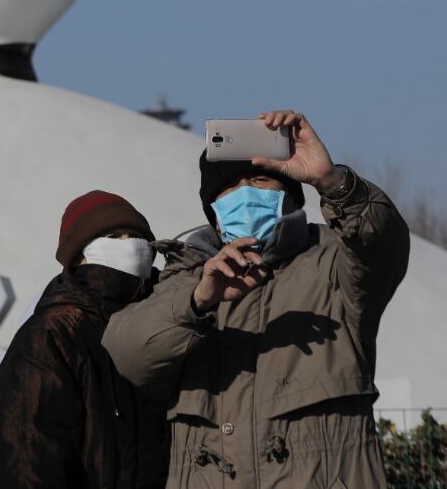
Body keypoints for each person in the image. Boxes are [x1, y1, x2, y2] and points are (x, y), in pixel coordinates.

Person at [102, 110, 410, 488]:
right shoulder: (183, 279)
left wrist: (333, 182)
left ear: (291, 194)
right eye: (229, 188)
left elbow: (383, 246)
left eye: (261, 179)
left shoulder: (333, 264)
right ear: (214, 212)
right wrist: (198, 300)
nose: (246, 194)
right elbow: (129, 353)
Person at [0, 190, 168, 488]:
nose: (128, 245)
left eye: (135, 236)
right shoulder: (51, 335)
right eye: (114, 235)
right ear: (81, 253)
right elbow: (27, 456)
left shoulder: (168, 320)